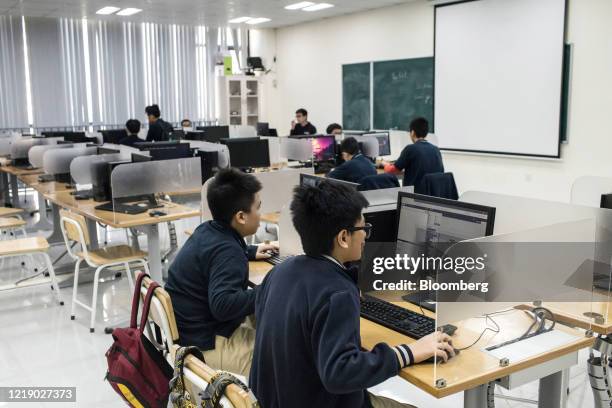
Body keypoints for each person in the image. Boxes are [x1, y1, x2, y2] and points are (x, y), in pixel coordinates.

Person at [250, 181, 454, 407]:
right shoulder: (338, 293)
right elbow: (340, 373)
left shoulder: (280, 271)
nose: (366, 236)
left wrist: (350, 279)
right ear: (343, 237)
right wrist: (411, 351)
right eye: (363, 229)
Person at [165, 169, 278, 376]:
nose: (261, 214)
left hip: (187, 329)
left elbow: (216, 254)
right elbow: (223, 305)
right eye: (258, 207)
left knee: (263, 322)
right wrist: (269, 290)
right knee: (279, 356)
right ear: (241, 216)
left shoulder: (208, 229)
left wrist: (249, 251)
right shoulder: (228, 252)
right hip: (203, 342)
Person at [383, 117, 444, 189]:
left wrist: (384, 164)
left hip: (413, 196)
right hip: (432, 195)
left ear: (412, 132)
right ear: (426, 133)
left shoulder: (410, 149)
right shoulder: (436, 149)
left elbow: (392, 170)